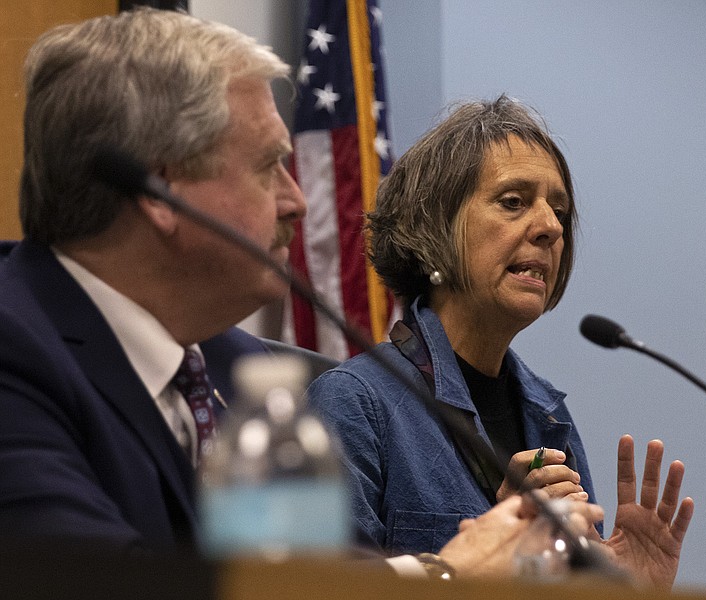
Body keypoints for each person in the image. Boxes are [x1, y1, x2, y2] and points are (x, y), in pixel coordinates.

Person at [0, 6, 605, 580]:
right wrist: (446, 571)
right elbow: (88, 579)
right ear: (162, 192)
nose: (298, 201)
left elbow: (320, 574)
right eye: (269, 167)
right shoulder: (15, 351)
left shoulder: (242, 371)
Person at [307, 96, 694, 587]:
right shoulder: (354, 404)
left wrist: (625, 593)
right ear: (435, 225)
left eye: (559, 210)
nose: (552, 227)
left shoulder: (550, 418)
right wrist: (486, 558)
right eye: (513, 202)